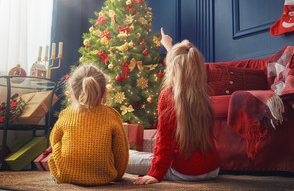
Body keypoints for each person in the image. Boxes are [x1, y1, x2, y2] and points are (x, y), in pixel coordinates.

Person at [128, 28, 220, 185]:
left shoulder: (167, 95)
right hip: (212, 169)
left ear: (171, 70)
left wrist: (156, 174)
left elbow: (164, 143)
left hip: (183, 171)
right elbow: (184, 63)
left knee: (128, 156)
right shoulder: (204, 95)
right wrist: (168, 46)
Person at [48, 64, 129, 185]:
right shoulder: (112, 116)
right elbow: (121, 154)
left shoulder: (66, 115)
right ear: (105, 92)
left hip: (64, 175)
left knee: (58, 144)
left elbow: (53, 141)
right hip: (104, 177)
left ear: (72, 93)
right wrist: (117, 175)